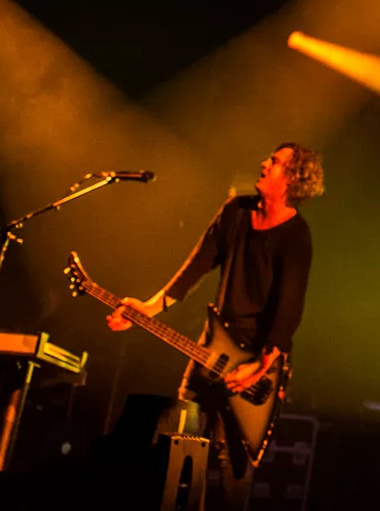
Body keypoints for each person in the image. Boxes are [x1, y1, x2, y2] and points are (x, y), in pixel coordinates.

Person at [108, 143, 322, 507]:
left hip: (256, 362)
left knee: (231, 462)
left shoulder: (296, 236)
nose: (263, 163)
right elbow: (194, 269)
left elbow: (290, 309)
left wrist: (261, 365)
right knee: (182, 439)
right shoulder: (235, 211)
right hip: (210, 347)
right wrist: (148, 308)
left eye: (273, 162)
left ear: (291, 178)